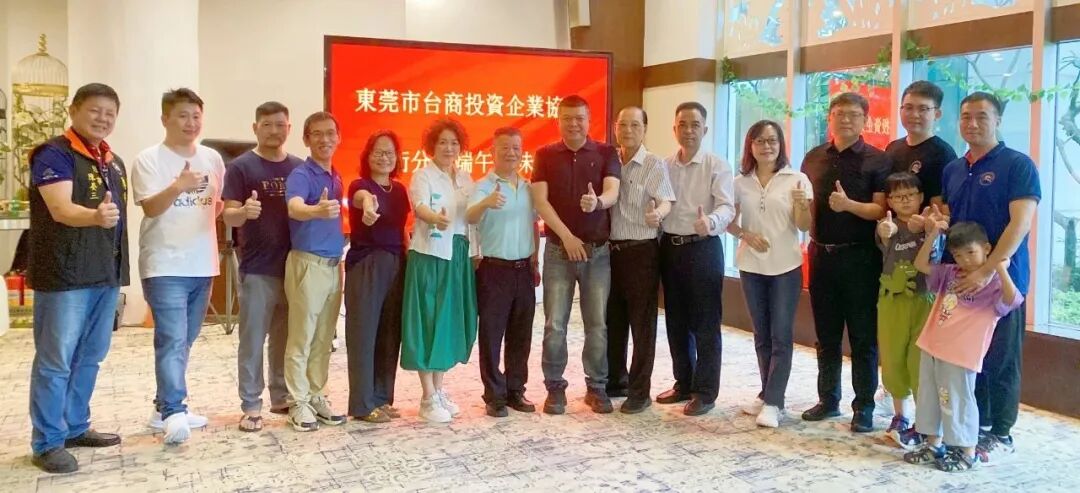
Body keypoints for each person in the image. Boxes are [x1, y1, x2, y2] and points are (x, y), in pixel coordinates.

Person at [934, 91, 1040, 464]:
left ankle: (1001, 432)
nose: (973, 123)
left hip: (1002, 281)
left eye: (982, 116)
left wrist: (986, 269)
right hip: (961, 281)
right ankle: (973, 426)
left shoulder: (1018, 165)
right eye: (966, 116)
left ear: (998, 121)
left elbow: (1020, 224)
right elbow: (952, 220)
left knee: (1001, 359)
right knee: (968, 357)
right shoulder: (954, 168)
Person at [27, 83, 128, 473]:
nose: (103, 119)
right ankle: (47, 442)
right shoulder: (54, 154)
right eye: (95, 110)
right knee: (56, 360)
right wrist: (95, 216)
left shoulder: (112, 161)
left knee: (90, 355)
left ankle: (74, 426)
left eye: (110, 113)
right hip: (65, 275)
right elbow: (60, 208)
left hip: (104, 273)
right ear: (73, 110)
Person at [132, 88, 225, 444]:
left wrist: (236, 212)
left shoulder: (212, 158)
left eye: (196, 116)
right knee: (171, 339)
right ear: (165, 119)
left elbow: (215, 205)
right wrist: (179, 185)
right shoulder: (149, 159)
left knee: (184, 340)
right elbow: (151, 207)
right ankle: (174, 411)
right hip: (164, 264)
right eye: (183, 116)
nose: (191, 123)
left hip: (203, 263)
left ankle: (162, 409)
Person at [800, 92, 890, 433]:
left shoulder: (877, 160)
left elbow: (881, 209)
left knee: (863, 337)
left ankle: (863, 406)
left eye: (853, 114)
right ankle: (828, 399)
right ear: (830, 118)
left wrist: (849, 205)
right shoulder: (813, 157)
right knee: (826, 335)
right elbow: (803, 202)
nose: (846, 120)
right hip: (820, 255)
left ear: (865, 120)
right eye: (839, 113)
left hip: (861, 258)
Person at [904, 221, 1022, 472]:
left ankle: (966, 451)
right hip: (932, 344)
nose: (965, 260)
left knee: (958, 401)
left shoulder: (992, 283)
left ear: (987, 248)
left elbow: (1013, 300)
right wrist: (933, 234)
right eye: (958, 254)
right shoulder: (950, 273)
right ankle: (933, 445)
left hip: (960, 354)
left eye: (971, 252)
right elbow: (920, 264)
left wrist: (1000, 269)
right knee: (929, 398)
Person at [531, 95, 621, 415]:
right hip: (559, 251)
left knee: (597, 324)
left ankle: (596, 387)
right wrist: (567, 237)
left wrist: (597, 203)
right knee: (555, 324)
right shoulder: (544, 154)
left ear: (589, 120)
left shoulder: (606, 152)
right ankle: (555, 388)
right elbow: (540, 201)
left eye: (579, 118)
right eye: (567, 118)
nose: (573, 124)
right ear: (558, 121)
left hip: (597, 254)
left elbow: (612, 191)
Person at [222, 101, 304, 432]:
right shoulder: (241, 167)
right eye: (267, 124)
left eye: (280, 125)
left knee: (285, 337)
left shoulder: (299, 167)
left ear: (289, 128)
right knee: (253, 339)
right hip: (257, 268)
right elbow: (228, 214)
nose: (274, 130)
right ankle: (251, 404)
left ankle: (281, 395)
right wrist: (243, 213)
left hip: (294, 266)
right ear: (255, 128)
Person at [727, 120, 811, 427]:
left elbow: (804, 226)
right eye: (760, 141)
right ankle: (767, 394)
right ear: (750, 146)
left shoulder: (796, 179)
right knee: (761, 335)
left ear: (781, 145)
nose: (767, 146)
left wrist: (802, 206)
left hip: (785, 268)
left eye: (773, 140)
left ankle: (775, 403)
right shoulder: (740, 182)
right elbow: (728, 220)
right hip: (751, 267)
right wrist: (745, 235)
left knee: (781, 336)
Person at [658, 101, 735, 417]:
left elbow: (727, 206)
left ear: (705, 129)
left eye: (695, 125)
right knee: (676, 321)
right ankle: (683, 382)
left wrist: (711, 222)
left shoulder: (717, 165)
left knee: (705, 323)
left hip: (703, 248)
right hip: (670, 248)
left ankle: (705, 391)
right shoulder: (664, 166)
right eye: (683, 124)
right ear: (674, 129)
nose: (688, 130)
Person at [400, 118, 478, 423]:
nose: (449, 148)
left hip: (457, 255)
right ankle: (427, 396)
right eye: (443, 142)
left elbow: (473, 216)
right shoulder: (423, 175)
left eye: (454, 143)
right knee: (428, 322)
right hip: (430, 255)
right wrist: (435, 218)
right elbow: (419, 206)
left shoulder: (465, 178)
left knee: (447, 322)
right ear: (432, 145)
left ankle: (439, 390)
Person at [467, 126, 541, 418]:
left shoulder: (528, 187)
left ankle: (515, 390)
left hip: (523, 269)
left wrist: (535, 260)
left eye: (516, 148)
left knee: (521, 334)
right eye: (505, 148)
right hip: (493, 270)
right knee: (491, 334)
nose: (511, 153)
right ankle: (494, 395)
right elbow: (469, 216)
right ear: (493, 151)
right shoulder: (484, 186)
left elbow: (533, 225)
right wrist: (486, 202)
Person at [605, 106, 674, 414]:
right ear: (615, 128)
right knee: (614, 321)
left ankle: (639, 391)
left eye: (635, 125)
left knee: (642, 325)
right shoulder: (609, 160)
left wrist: (658, 213)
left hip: (641, 252)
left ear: (645, 129)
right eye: (623, 125)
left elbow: (666, 200)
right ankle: (615, 381)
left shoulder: (653, 163)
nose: (628, 130)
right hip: (610, 253)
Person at [282, 111, 348, 432]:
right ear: (306, 139)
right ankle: (298, 401)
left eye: (330, 133)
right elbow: (294, 206)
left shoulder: (336, 175)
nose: (325, 139)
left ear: (339, 138)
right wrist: (314, 210)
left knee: (324, 339)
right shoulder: (301, 174)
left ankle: (316, 394)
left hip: (335, 266)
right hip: (308, 265)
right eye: (317, 134)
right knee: (302, 337)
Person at [344, 129, 410, 423]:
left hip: (397, 263)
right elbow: (362, 199)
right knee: (363, 334)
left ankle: (382, 398)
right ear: (368, 156)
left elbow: (402, 228)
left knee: (389, 334)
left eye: (390, 153)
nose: (384, 157)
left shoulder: (400, 191)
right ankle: (362, 404)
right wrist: (369, 204)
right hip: (368, 264)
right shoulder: (360, 186)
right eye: (379, 152)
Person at [875, 172, 934, 447]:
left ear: (921, 197)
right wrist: (885, 230)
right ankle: (900, 415)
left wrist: (930, 229)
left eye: (910, 195)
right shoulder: (887, 225)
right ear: (889, 201)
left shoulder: (931, 222)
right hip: (892, 300)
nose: (905, 201)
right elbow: (884, 234)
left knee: (921, 362)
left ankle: (926, 421)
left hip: (925, 300)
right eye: (898, 196)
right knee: (892, 357)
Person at [886, 81, 958, 210]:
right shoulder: (892, 148)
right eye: (908, 108)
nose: (914, 115)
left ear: (937, 114)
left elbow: (940, 208)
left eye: (923, 109)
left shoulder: (943, 154)